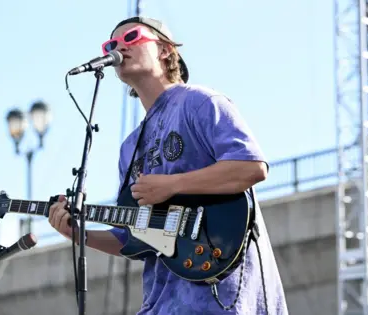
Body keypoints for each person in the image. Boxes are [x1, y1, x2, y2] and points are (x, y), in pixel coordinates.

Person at [49, 16, 289, 315]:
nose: (119, 47)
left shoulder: (201, 102)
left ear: (164, 50)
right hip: (161, 302)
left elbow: (251, 167)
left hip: (221, 297)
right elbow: (130, 238)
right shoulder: (129, 147)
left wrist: (172, 185)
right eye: (111, 44)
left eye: (131, 37)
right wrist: (78, 234)